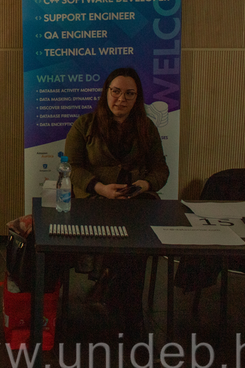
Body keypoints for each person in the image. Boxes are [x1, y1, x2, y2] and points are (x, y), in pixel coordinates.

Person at [64, 66, 169, 339]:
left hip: (135, 203)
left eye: (129, 94)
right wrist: (101, 188)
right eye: (116, 91)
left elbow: (161, 169)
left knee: (136, 244)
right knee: (130, 249)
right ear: (106, 93)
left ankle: (115, 293)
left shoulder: (146, 128)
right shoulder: (84, 125)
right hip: (95, 201)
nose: (121, 99)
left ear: (137, 98)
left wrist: (144, 185)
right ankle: (131, 316)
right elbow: (72, 168)